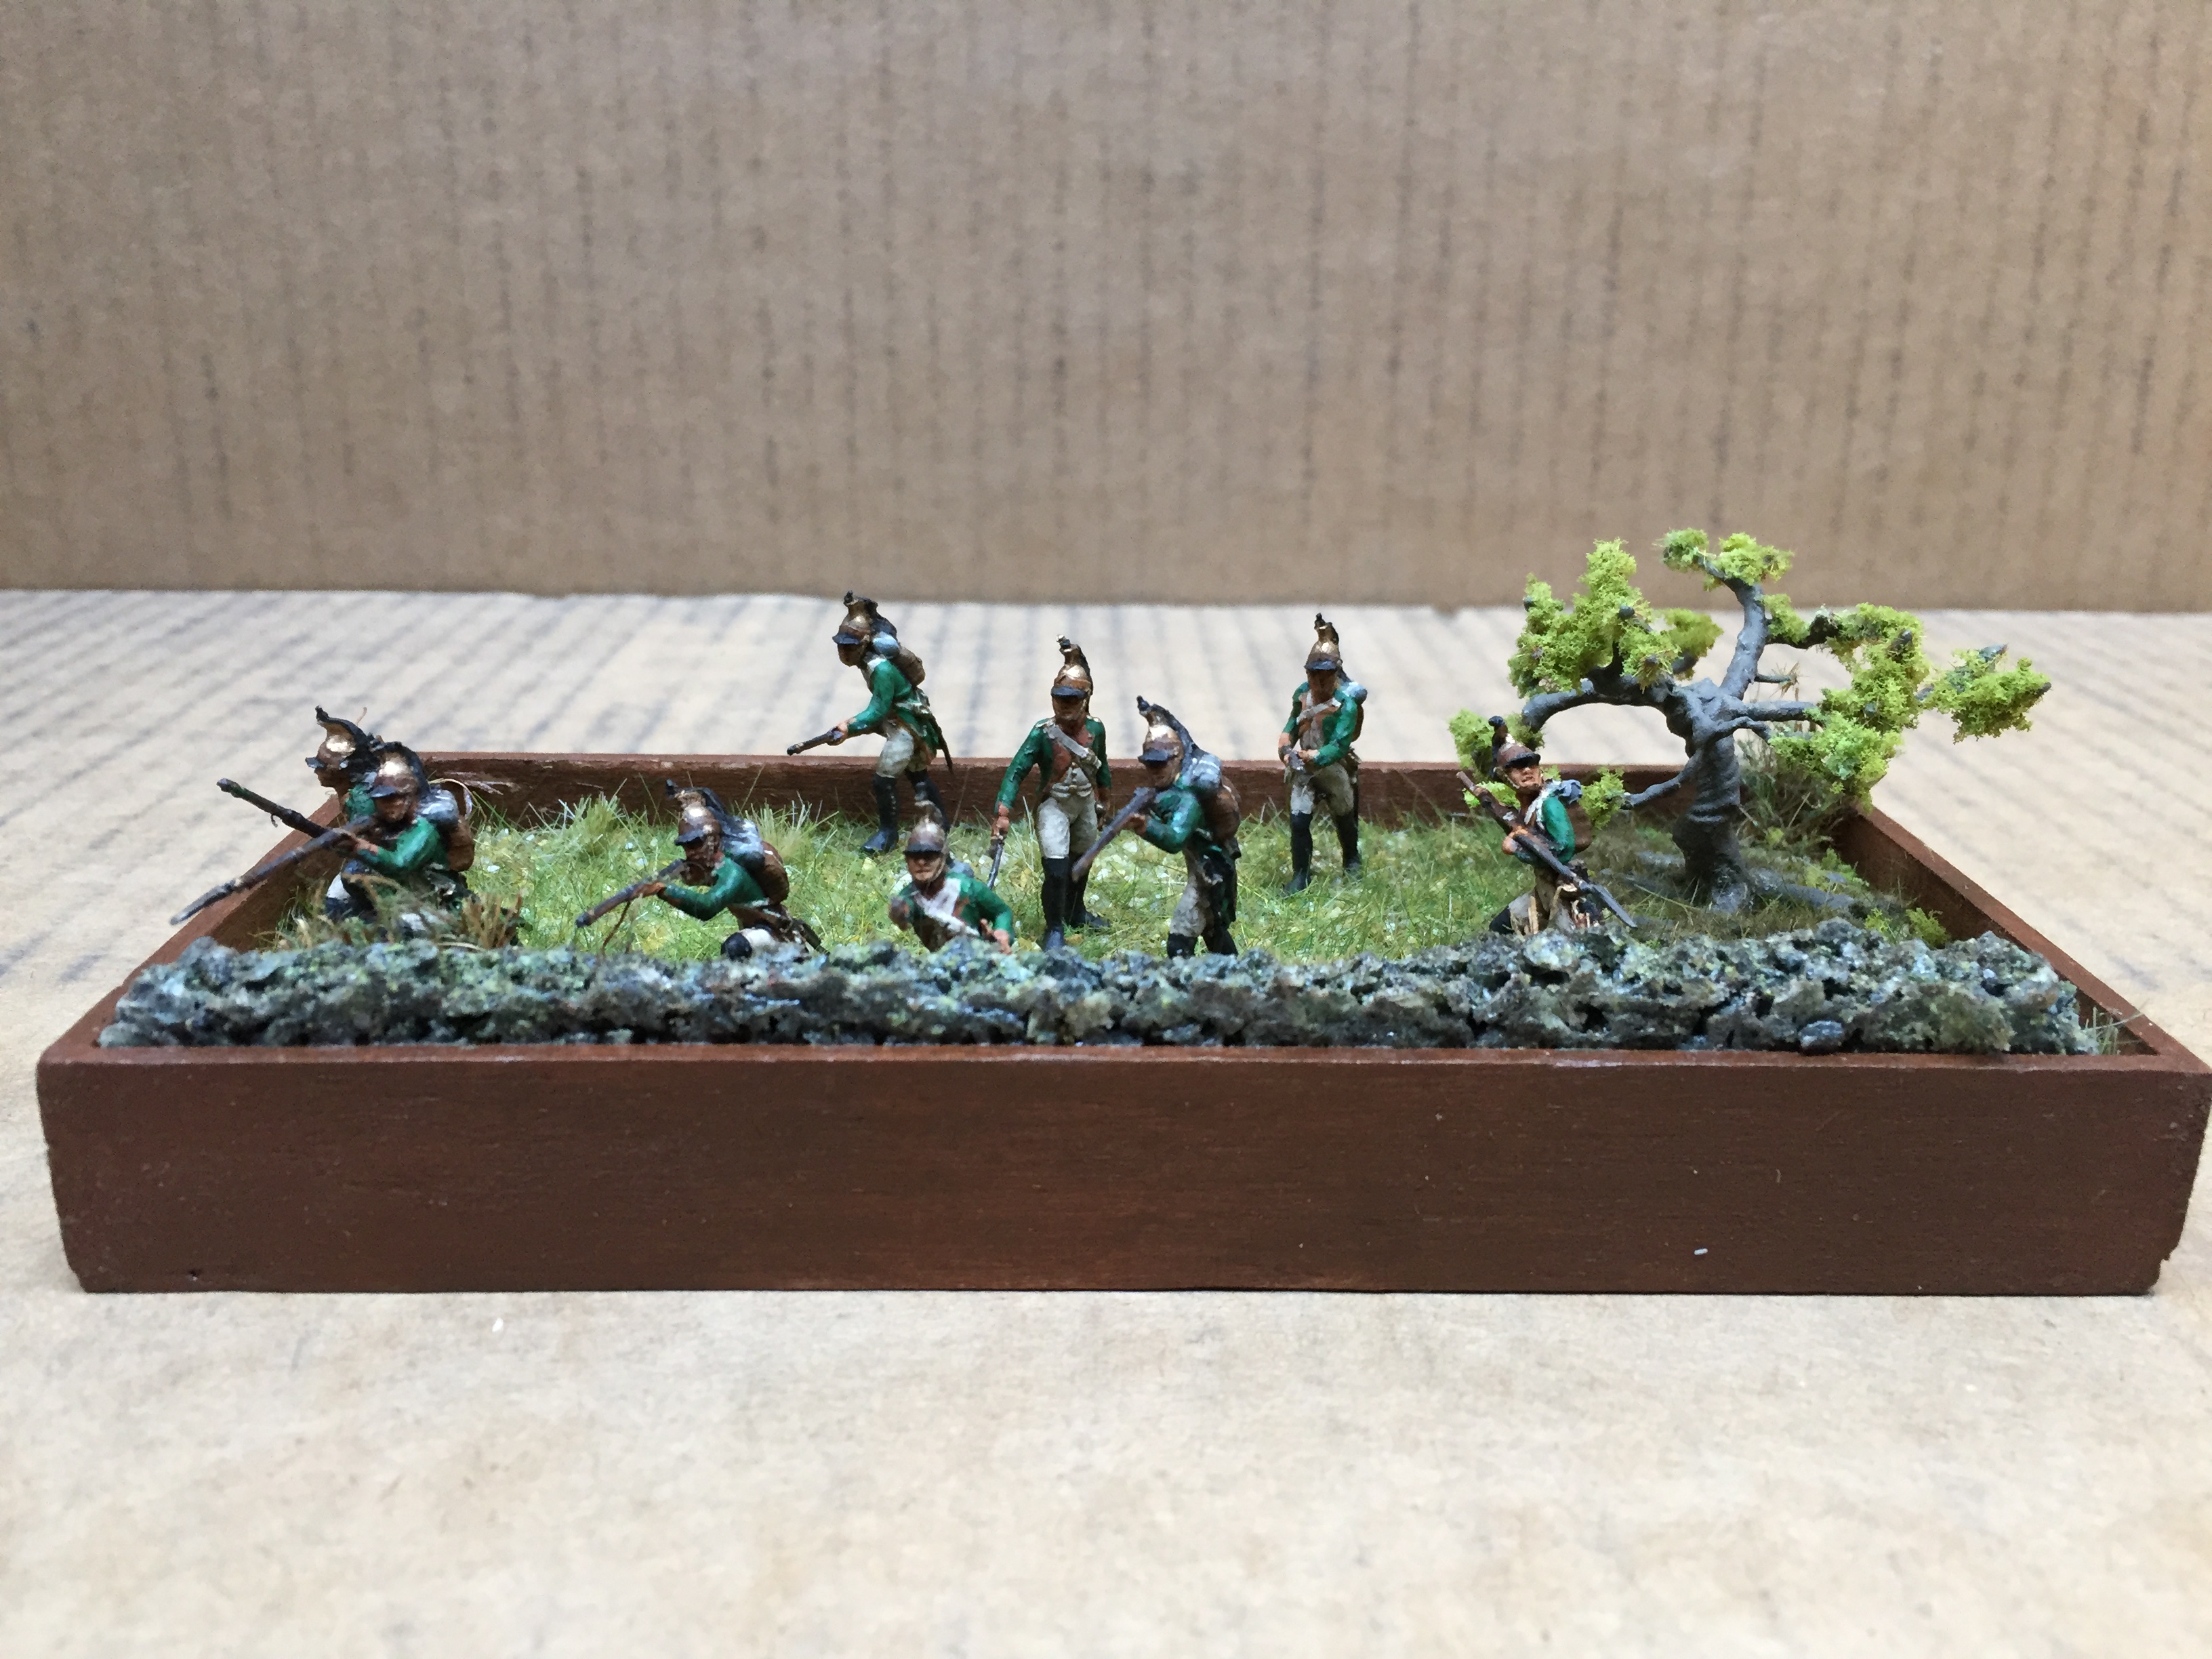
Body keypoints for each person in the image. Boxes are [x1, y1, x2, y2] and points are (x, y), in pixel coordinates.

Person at [993, 637, 1111, 949]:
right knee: (1057, 870)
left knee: (1082, 861)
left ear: (1085, 698)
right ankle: (1055, 927)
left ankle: (1076, 911)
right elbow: (1016, 770)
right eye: (1060, 699)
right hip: (1055, 804)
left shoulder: (1095, 730)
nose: (1065, 705)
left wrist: (1105, 799)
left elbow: (1102, 766)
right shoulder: (1043, 733)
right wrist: (1003, 811)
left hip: (1085, 803)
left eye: (1072, 699)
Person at [819, 593, 951, 855]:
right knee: (917, 775)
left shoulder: (881, 670)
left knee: (884, 781)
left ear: (864, 644)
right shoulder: (867, 665)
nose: (844, 652)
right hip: (897, 720)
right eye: (841, 646)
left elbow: (877, 710)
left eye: (850, 647)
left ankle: (888, 835)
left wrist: (848, 727)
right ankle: (940, 823)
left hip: (906, 725)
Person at [638, 787, 801, 959]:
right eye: (686, 847)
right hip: (756, 931)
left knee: (736, 947)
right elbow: (687, 877)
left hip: (775, 934)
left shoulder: (732, 872)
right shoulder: (710, 868)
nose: (690, 853)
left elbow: (707, 907)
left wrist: (663, 889)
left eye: (696, 844)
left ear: (714, 840)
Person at [1132, 701, 1240, 957]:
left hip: (1210, 871)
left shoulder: (1188, 798)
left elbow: (1174, 839)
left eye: (1160, 764)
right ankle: (1234, 970)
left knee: (1180, 941)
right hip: (1203, 865)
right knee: (1213, 930)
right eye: (1149, 765)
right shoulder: (1170, 791)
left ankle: (1188, 979)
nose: (1154, 771)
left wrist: (1145, 825)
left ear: (1177, 759)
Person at [1276, 614, 1366, 891]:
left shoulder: (1345, 705)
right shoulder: (1302, 695)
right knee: (1298, 820)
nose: (1319, 682)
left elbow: (1340, 743)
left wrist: (1316, 757)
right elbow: (1292, 724)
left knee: (1344, 813)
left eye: (1325, 676)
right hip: (1304, 768)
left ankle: (1351, 859)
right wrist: (1285, 747)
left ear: (1335, 674)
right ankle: (1301, 875)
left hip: (1331, 768)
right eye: (1314, 675)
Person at [335, 745, 469, 923]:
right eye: (380, 800)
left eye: (392, 798)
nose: (386, 806)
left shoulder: (424, 830)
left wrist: (359, 847)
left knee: (405, 925)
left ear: (409, 797)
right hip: (399, 890)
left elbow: (399, 864)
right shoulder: (387, 824)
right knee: (343, 885)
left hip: (432, 897)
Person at [1486, 735, 1589, 935]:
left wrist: (1517, 848)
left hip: (1562, 889)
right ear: (1506, 777)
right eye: (1517, 767)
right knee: (1501, 927)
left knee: (1571, 939)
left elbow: (1562, 850)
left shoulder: (1549, 805)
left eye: (1531, 765)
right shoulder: (1528, 806)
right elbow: (1518, 827)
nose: (1527, 771)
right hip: (1542, 890)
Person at [888, 806, 1015, 952]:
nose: (921, 862)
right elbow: (906, 910)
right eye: (915, 857)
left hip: (978, 954)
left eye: (929, 856)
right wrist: (899, 913)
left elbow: (1002, 912)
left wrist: (1002, 933)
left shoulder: (968, 888)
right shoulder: (910, 897)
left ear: (943, 857)